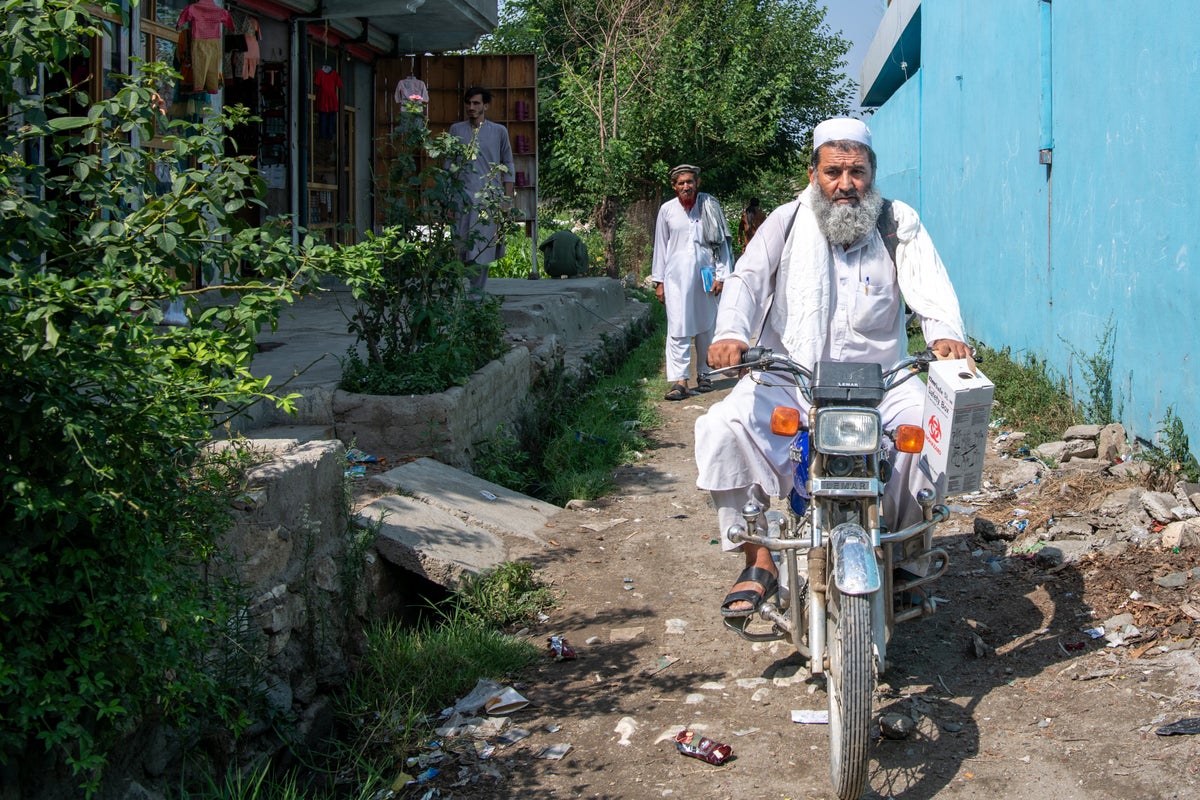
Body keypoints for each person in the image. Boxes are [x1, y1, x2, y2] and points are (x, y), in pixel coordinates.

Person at [694, 118, 972, 618]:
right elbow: (748, 279)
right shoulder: (786, 220)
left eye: (857, 172)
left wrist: (945, 334)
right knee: (720, 426)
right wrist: (732, 334)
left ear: (872, 173)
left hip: (883, 383)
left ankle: (907, 554)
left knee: (929, 430)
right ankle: (759, 559)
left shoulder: (895, 221)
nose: (846, 185)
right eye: (833, 172)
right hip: (794, 379)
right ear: (814, 174)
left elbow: (930, 286)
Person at [651, 164, 733, 401]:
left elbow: (722, 245)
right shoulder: (667, 211)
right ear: (674, 187)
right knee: (677, 329)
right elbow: (661, 247)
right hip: (675, 279)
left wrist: (722, 275)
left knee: (707, 326)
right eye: (681, 183)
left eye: (689, 182)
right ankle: (680, 381)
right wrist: (659, 281)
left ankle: (705, 374)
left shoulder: (709, 206)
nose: (686, 186)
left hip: (706, 276)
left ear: (698, 183)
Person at [448, 87, 516, 292]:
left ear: (486, 106)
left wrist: (506, 200)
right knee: (460, 245)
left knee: (481, 247)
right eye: (468, 103)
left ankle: (477, 294)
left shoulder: (498, 131)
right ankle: (464, 291)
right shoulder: (456, 130)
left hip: (488, 198)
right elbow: (448, 166)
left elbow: (509, 164)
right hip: (461, 198)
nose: (471, 107)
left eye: (476, 103)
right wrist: (448, 200)